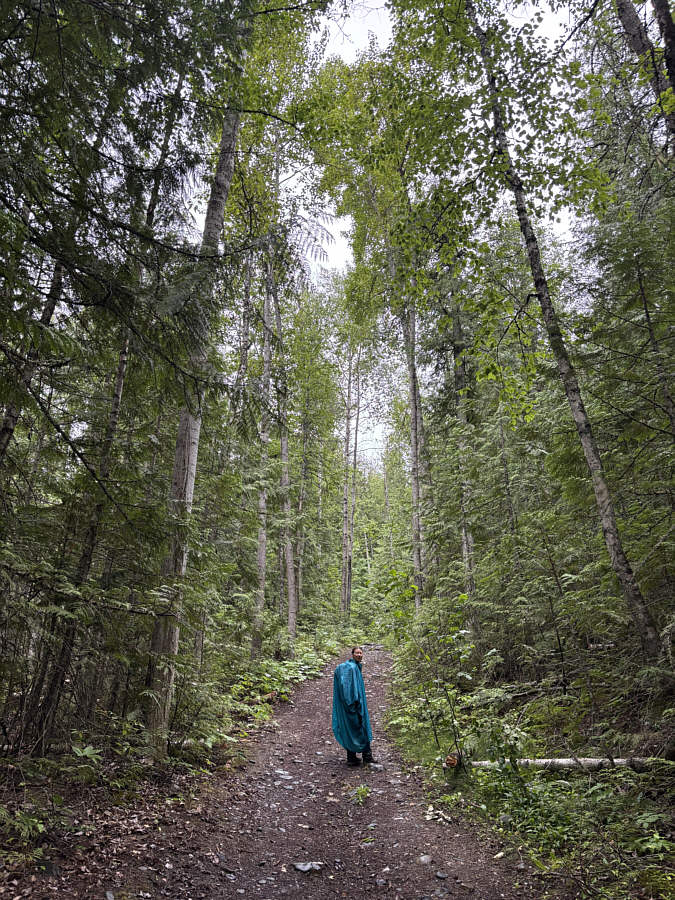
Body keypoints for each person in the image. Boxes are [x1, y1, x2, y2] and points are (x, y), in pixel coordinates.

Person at [332, 646, 376, 766]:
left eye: (361, 653)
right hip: (353, 705)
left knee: (350, 728)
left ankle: (352, 757)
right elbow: (348, 689)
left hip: (348, 705)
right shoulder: (351, 668)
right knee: (362, 726)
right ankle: (366, 757)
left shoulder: (354, 666)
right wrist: (354, 703)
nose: (359, 655)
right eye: (357, 653)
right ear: (352, 654)